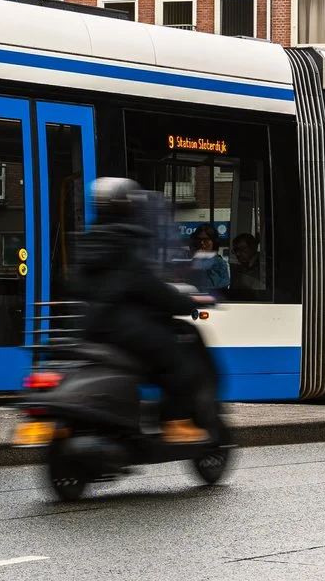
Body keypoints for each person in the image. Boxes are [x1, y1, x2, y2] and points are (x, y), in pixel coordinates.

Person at [73, 177, 222, 447]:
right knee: (179, 360)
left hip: (93, 327)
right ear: (126, 205)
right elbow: (152, 288)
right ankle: (175, 421)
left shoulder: (92, 239)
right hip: (125, 327)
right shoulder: (126, 243)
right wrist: (185, 303)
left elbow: (82, 284)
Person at [185, 225, 232, 293]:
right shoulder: (194, 262)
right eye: (199, 240)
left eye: (206, 240)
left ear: (213, 242)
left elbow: (221, 287)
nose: (202, 243)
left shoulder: (220, 264)